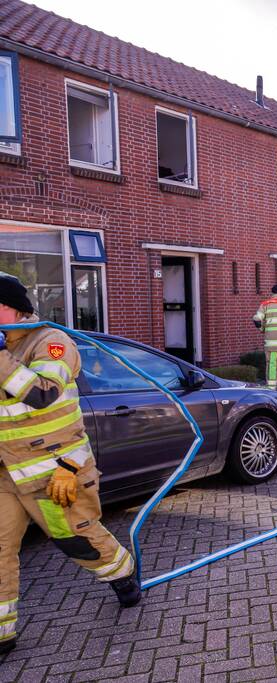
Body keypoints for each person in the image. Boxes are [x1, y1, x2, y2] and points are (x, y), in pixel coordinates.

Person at [0, 273, 140, 657]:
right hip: (6, 473)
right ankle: (3, 633)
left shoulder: (52, 343)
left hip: (54, 470)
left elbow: (42, 394)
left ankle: (123, 574)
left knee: (77, 542)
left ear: (15, 308)